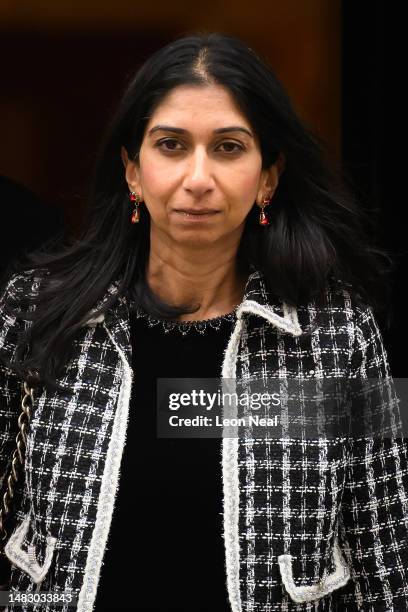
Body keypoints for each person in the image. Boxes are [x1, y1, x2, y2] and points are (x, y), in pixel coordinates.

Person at [0, 31, 407, 612]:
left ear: (268, 176)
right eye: (170, 145)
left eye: (228, 147)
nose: (197, 178)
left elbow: (383, 557)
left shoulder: (337, 336)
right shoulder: (40, 312)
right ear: (132, 171)